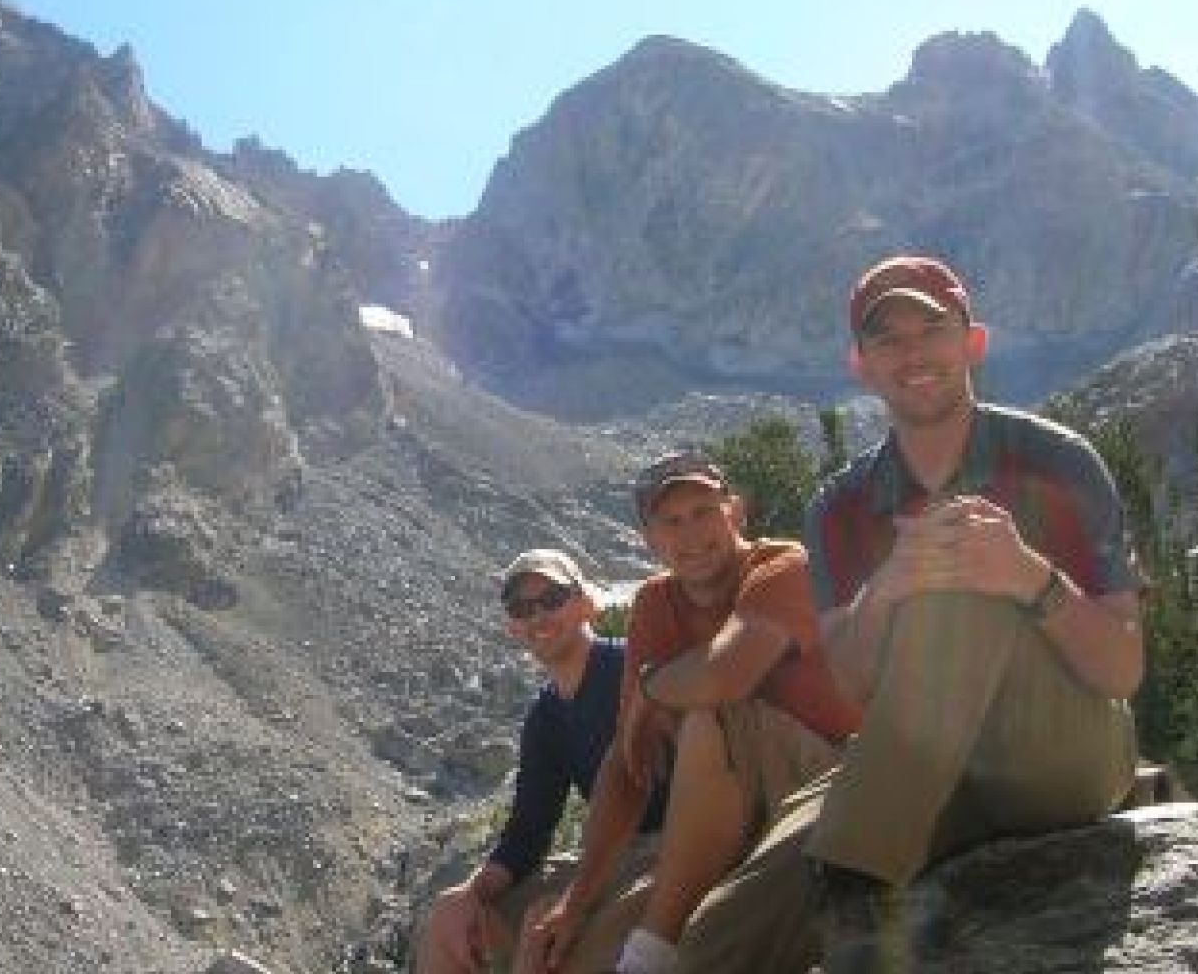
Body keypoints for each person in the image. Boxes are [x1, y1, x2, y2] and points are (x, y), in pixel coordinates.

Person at [666, 251, 1146, 973]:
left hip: (1058, 754)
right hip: (919, 766)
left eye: (931, 328)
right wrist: (887, 586)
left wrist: (1028, 578)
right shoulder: (838, 508)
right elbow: (856, 686)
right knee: (722, 935)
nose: (912, 352)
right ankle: (851, 874)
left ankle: (859, 895)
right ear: (860, 363)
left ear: (972, 341)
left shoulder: (1059, 463)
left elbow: (1122, 668)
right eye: (886, 337)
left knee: (960, 585)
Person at [522, 453, 861, 974]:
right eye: (671, 522)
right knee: (567, 952)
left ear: (737, 512)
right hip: (734, 815)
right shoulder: (657, 604)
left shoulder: (783, 568)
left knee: (710, 715)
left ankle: (652, 951)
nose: (691, 533)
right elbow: (625, 766)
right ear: (649, 540)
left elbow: (726, 675)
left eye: (704, 511)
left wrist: (653, 691)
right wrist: (577, 899)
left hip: (827, 784)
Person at [415, 549, 668, 974]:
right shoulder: (546, 716)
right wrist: (468, 894)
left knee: (550, 943)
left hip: (669, 846)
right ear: (513, 626)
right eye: (522, 608)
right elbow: (527, 834)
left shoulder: (628, 668)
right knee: (451, 919)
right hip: (612, 858)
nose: (538, 617)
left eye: (552, 599)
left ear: (585, 602)